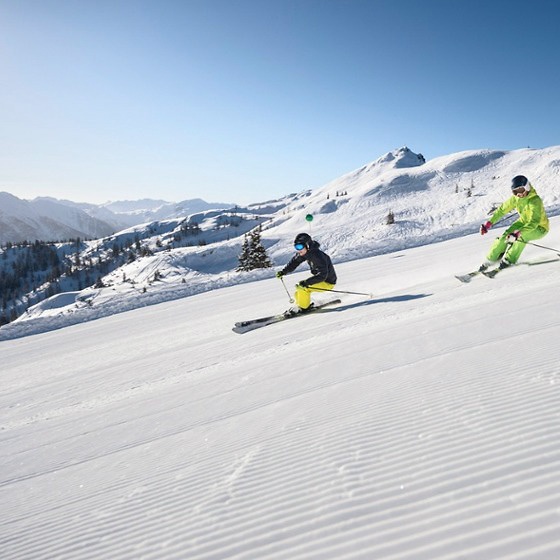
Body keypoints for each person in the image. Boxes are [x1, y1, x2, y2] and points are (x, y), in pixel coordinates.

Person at [479, 175, 549, 271]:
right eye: (515, 192)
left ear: (527, 187)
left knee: (521, 237)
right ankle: (490, 260)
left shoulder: (535, 200)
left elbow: (534, 222)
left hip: (539, 228)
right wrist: (489, 223)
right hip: (523, 223)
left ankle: (509, 260)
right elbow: (502, 210)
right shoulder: (516, 198)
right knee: (505, 237)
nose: (519, 194)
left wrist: (518, 233)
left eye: (521, 190)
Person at [276, 233, 337, 314]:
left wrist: (306, 282)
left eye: (300, 247)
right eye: (296, 247)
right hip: (322, 279)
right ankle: (300, 306)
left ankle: (303, 308)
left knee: (303, 288)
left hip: (327, 282)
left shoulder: (317, 255)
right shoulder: (306, 252)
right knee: (298, 289)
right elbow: (295, 262)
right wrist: (283, 272)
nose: (298, 249)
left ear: (307, 246)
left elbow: (323, 275)